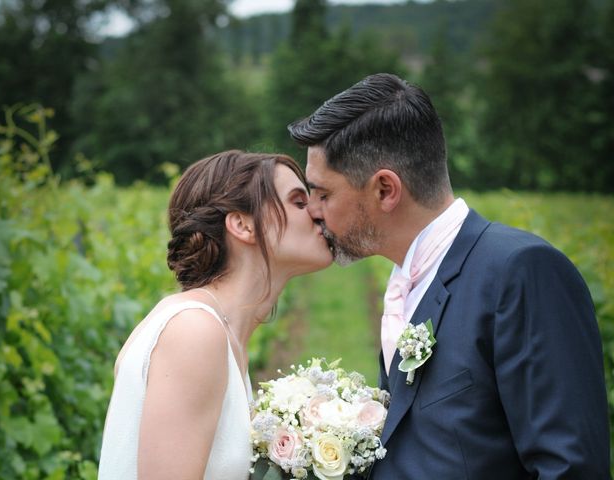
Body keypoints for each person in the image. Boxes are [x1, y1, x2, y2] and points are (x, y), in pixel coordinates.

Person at [288, 73, 610, 479]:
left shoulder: (520, 272)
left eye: (323, 194)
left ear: (385, 190)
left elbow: (570, 468)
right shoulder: (406, 279)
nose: (313, 211)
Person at [97, 150, 333, 480]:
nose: (319, 212)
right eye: (298, 201)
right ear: (242, 224)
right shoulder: (194, 331)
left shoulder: (221, 336)